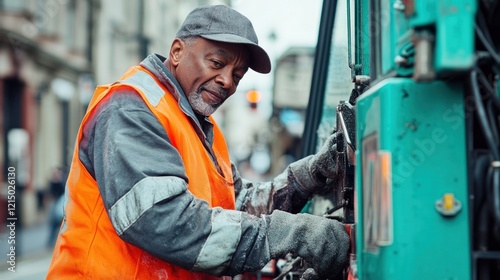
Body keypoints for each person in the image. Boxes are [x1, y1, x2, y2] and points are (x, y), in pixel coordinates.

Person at [47, 4, 349, 280]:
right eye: (217, 63)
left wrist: (310, 176)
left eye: (238, 75)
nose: (227, 81)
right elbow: (165, 222)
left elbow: (238, 205)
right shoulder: (131, 108)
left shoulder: (199, 125)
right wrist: (291, 233)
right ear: (177, 51)